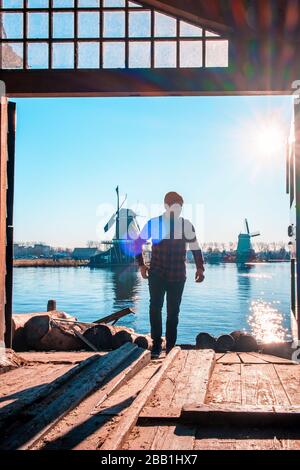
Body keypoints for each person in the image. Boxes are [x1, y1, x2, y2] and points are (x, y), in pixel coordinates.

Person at [135, 192, 205, 359]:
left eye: (179, 207)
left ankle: (171, 347)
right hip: (157, 273)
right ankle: (157, 344)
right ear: (166, 206)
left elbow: (195, 248)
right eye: (173, 206)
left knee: (173, 312)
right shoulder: (154, 223)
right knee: (155, 308)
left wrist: (200, 268)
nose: (177, 210)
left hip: (177, 275)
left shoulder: (186, 225)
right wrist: (141, 265)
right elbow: (137, 243)